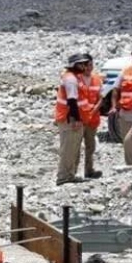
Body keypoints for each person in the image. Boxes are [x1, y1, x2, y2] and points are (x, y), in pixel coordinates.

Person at [54, 54, 93, 185]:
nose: (84, 66)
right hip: (70, 119)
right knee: (69, 149)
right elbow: (72, 101)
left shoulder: (74, 77)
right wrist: (75, 119)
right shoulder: (71, 79)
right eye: (81, 64)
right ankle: (64, 177)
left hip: (71, 118)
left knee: (73, 148)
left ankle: (70, 174)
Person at [109, 47, 132, 141]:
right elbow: (115, 90)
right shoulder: (125, 72)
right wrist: (113, 107)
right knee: (128, 141)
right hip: (126, 112)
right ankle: (130, 156)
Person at [80, 53, 104, 179]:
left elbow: (101, 97)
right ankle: (71, 172)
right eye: (87, 65)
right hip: (80, 118)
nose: (89, 68)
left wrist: (94, 109)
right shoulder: (77, 79)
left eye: (90, 65)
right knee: (75, 146)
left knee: (90, 146)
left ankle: (88, 170)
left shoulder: (96, 79)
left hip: (92, 118)